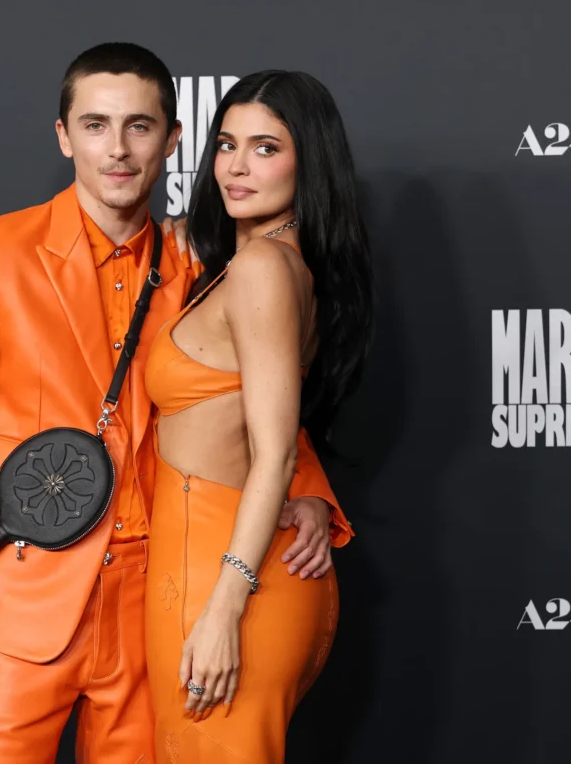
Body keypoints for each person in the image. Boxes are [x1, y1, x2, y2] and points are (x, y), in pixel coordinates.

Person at [0, 44, 354, 764]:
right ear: (64, 136)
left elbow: (246, 399)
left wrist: (309, 496)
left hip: (156, 608)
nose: (117, 149)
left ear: (172, 141)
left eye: (139, 127)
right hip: (17, 608)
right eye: (95, 125)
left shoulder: (202, 262)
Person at [143, 70, 375, 762]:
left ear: (310, 163)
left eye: (266, 148)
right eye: (226, 144)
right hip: (224, 554)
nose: (237, 167)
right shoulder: (257, 265)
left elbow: (273, 451)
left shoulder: (263, 269)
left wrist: (225, 608)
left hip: (225, 573)